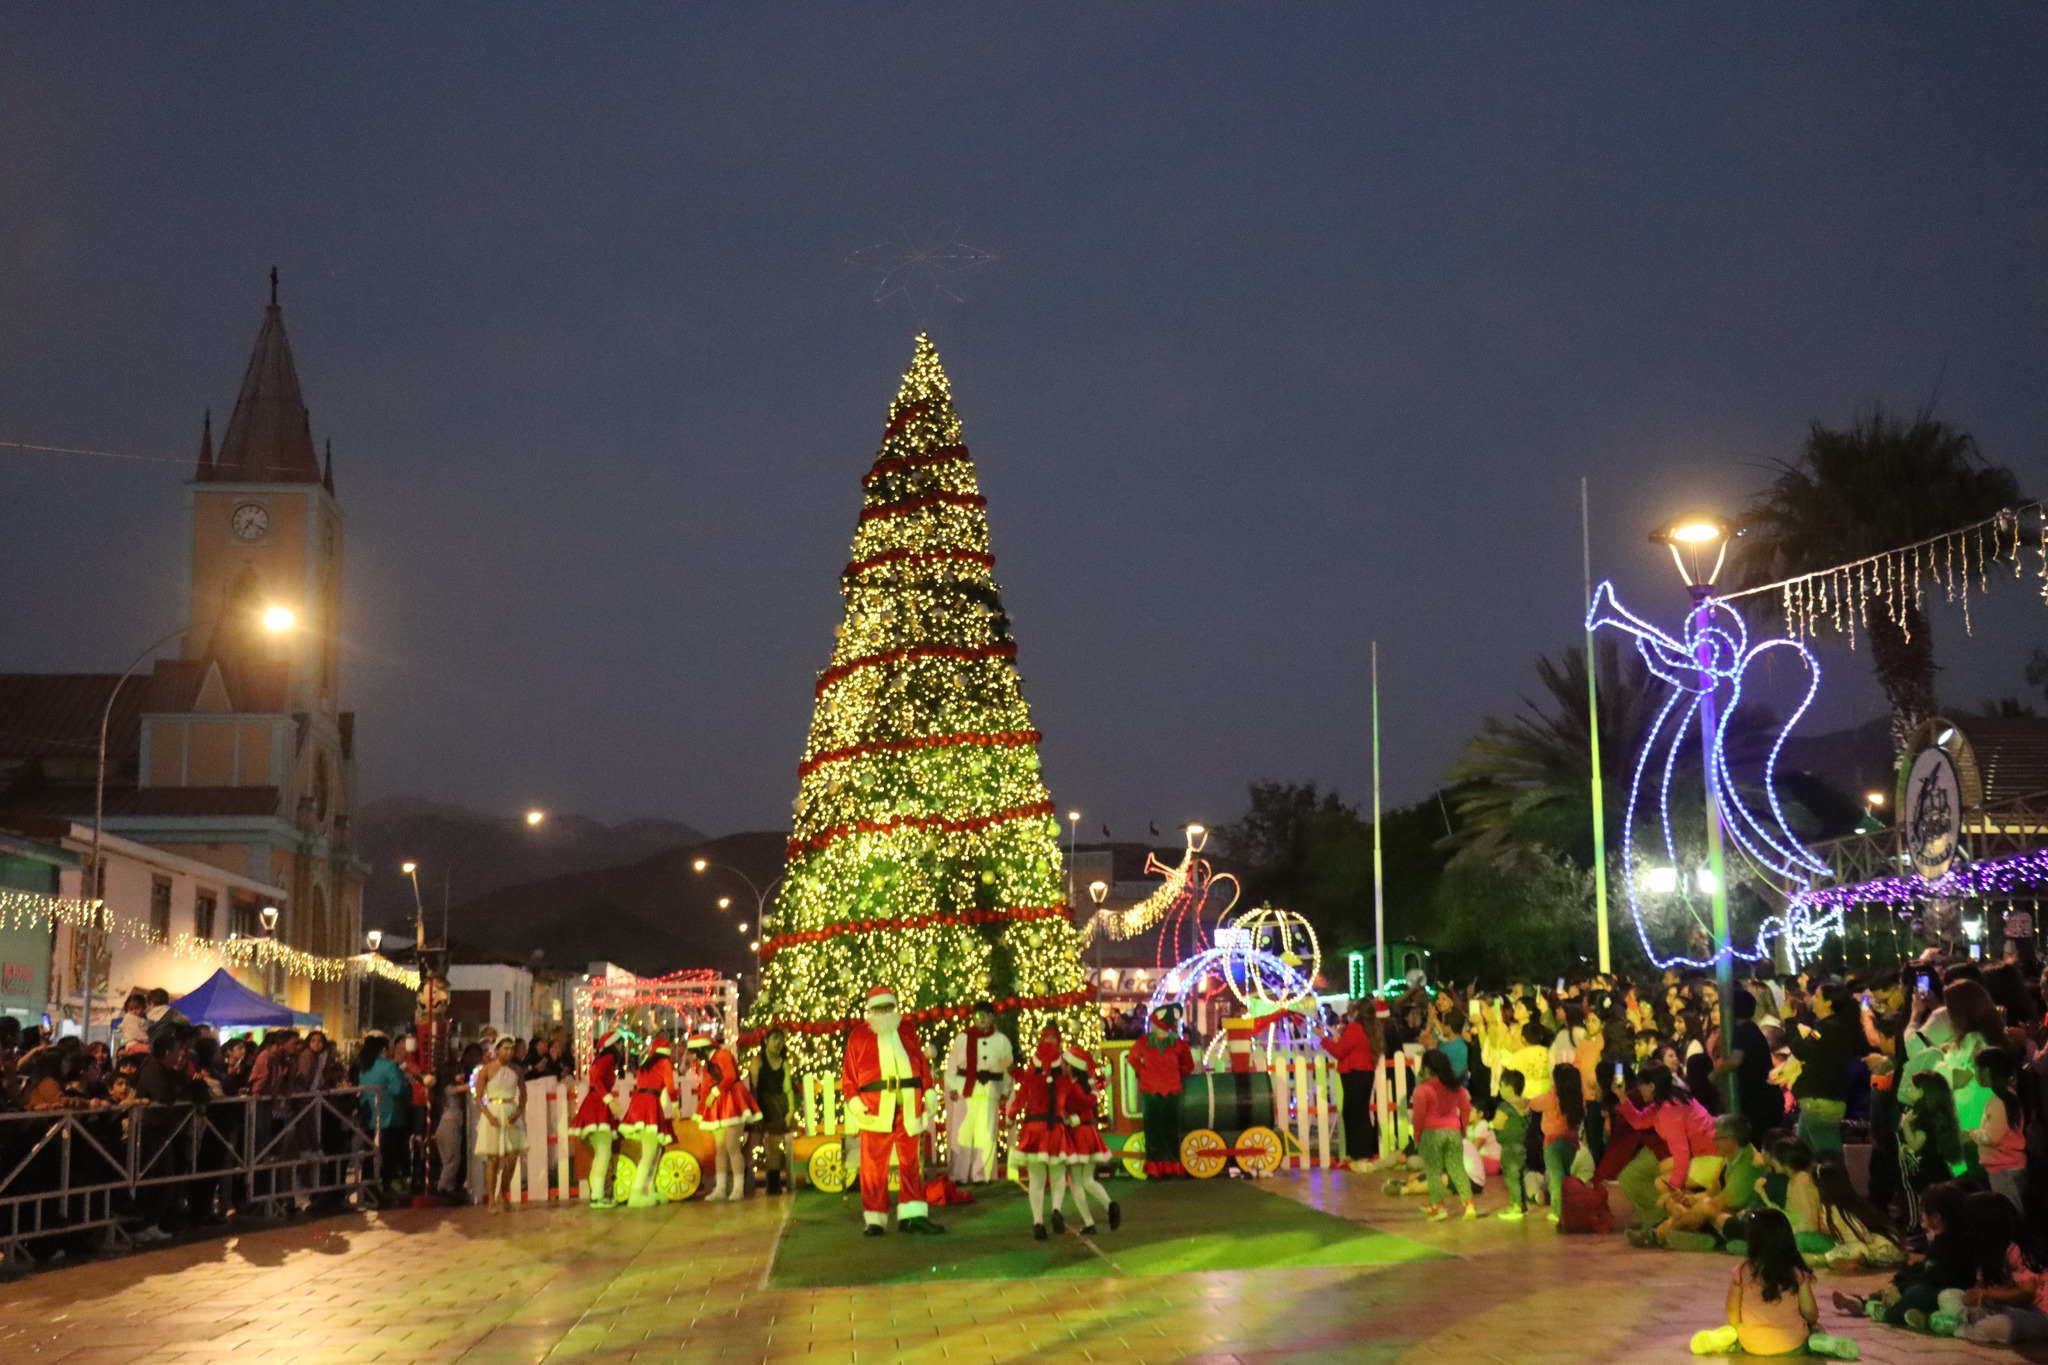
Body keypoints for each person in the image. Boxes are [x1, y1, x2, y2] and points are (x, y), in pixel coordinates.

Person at [1687, 1207, 1861, 1359]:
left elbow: (1732, 1313)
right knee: (1815, 1329)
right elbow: (1810, 1314)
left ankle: (1729, 1338)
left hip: (1752, 1345)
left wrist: (1740, 1326)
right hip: (1792, 1345)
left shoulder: (1742, 1272)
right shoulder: (1797, 1274)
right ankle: (1817, 1342)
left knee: (1737, 1332)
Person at [840, 985, 943, 1236]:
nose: (884, 1013)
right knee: (874, 1167)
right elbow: (849, 1078)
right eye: (879, 1008)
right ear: (871, 1010)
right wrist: (856, 1103)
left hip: (907, 1108)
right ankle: (875, 1219)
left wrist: (929, 1092)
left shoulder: (907, 1030)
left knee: (910, 1164)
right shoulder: (859, 1035)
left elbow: (921, 1064)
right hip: (875, 1111)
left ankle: (913, 1215)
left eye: (888, 1007)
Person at [1832, 1180, 1973, 1329]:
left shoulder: (1954, 1243)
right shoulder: (1940, 1240)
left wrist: (1905, 1286)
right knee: (1900, 1286)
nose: (1921, 1215)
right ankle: (1865, 1301)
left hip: (1944, 1293)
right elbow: (1927, 1266)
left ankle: (1881, 1311)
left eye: (1923, 1211)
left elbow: (1938, 1276)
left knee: (1915, 1293)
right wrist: (1903, 1278)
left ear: (1936, 1217)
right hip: (1930, 1285)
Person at [1616, 1063, 1717, 1233]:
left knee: (1661, 1183)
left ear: (1652, 1086)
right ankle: (1677, 1219)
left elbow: (1682, 1155)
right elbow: (1639, 1121)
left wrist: (1672, 1190)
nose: (1639, 1089)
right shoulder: (1668, 1102)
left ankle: (1681, 1224)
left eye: (1642, 1084)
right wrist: (1621, 1097)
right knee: (1664, 1171)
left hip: (1712, 1158)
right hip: (1704, 1155)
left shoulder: (1669, 1112)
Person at [1008, 1025, 1069, 1240]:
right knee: (1058, 1174)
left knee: (1036, 1179)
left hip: (1034, 1129)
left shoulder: (1031, 1076)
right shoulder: (1063, 1077)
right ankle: (1056, 1209)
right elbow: (1066, 1103)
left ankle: (1037, 1221)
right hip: (1054, 1129)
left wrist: (1011, 1116)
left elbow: (1020, 1098)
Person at [943, 1001, 1014, 1184]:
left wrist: (1005, 1089)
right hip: (966, 1090)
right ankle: (958, 1174)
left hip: (989, 1090)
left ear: (992, 1017)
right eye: (978, 1015)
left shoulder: (1001, 1041)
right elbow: (952, 1065)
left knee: (987, 1134)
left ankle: (980, 1175)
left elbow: (1006, 1068)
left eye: (986, 1014)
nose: (982, 1018)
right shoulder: (963, 1038)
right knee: (962, 1133)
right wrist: (952, 1086)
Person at [1055, 1043, 1118, 1235]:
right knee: (1088, 1179)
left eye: (1065, 1063)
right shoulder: (1085, 1086)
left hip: (1078, 1135)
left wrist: (1068, 1118)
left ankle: (1089, 1222)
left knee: (1076, 1183)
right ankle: (1110, 1205)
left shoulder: (1070, 1088)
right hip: (1090, 1133)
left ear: (1071, 1067)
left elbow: (1071, 1108)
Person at [688, 1032, 760, 1202]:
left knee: (732, 1146)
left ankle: (738, 1188)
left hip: (733, 1102)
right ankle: (720, 1188)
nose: (693, 1057)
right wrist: (700, 1111)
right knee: (720, 1149)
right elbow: (706, 1090)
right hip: (718, 1106)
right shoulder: (707, 1066)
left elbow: (730, 1077)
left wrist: (715, 1092)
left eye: (694, 1052)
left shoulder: (723, 1055)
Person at [1786, 983, 1856, 1156]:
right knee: (1803, 1154)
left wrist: (1789, 1022)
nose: (1812, 1000)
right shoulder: (1831, 1026)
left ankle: (1835, 1183)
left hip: (1821, 1101)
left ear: (1829, 1002)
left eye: (1817, 996)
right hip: (1817, 1101)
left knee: (1828, 1156)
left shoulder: (1830, 1028)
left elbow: (1803, 1050)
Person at [1129, 1004, 1194, 1178]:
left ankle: (1171, 1167)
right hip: (1151, 1091)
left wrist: (1176, 1074)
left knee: (1170, 1130)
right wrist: (1144, 1072)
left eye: (1155, 1023)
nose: (1153, 1026)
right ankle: (1155, 1168)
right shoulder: (1144, 1041)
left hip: (1170, 1091)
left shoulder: (1178, 1044)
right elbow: (1132, 1059)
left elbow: (1189, 1065)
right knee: (1153, 1131)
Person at [1411, 1048, 1476, 1220]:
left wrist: (1417, 1137)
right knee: (1458, 1169)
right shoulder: (1455, 1087)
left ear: (1427, 1069)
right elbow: (1466, 1108)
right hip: (1453, 1132)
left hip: (1432, 1134)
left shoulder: (1423, 1090)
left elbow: (1418, 1117)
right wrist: (1462, 1128)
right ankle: (1468, 1204)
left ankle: (1438, 1207)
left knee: (1434, 1172)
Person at [1808, 1157, 1904, 1272]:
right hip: (1885, 1247)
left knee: (1831, 1257)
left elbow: (1861, 1239)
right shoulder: (1850, 1203)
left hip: (1875, 1250)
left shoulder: (1834, 1210)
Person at [1712, 990, 1784, 1139]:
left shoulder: (1743, 1031)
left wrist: (1714, 1074)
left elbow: (1735, 1060)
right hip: (1765, 1098)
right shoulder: (1751, 1028)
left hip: (1759, 1101)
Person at [617, 1036, 677, 1208]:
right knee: (650, 1152)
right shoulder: (665, 1062)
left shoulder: (646, 1065)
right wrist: (675, 1105)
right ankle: (636, 1193)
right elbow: (670, 1086)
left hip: (640, 1103)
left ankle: (648, 1188)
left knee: (656, 1150)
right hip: (650, 1104)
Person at [470, 1035, 527, 1212]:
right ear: (497, 1050)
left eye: (511, 1049)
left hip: (510, 1112)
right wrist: (488, 1115)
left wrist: (518, 1112)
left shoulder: (517, 1070)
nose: (509, 1052)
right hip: (493, 1113)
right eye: (505, 1049)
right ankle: (491, 1200)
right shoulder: (486, 1070)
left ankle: (504, 1191)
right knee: (492, 1159)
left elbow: (523, 1095)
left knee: (512, 1157)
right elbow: (478, 1098)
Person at [568, 1030, 625, 1208]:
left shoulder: (603, 1059)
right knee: (603, 1154)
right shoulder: (607, 1059)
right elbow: (596, 1079)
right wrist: (608, 1100)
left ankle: (597, 1194)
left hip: (595, 1104)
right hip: (599, 1105)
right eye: (620, 1043)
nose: (622, 1047)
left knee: (601, 1154)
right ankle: (598, 1196)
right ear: (613, 1045)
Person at [1965, 1046, 2026, 1212]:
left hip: (2005, 1168)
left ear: (1988, 1071)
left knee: (2010, 1212)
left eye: (1977, 1069)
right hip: (2004, 1167)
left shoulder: (2000, 1101)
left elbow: (1991, 1138)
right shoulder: (2004, 1096)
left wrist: (1972, 1134)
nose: (1975, 1074)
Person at [352, 1034, 411, 1201]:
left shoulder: (365, 1066)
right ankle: (385, 1187)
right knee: (388, 1155)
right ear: (384, 1049)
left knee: (371, 1155)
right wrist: (408, 1089)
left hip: (370, 1115)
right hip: (389, 1116)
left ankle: (367, 1188)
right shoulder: (389, 1067)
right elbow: (398, 1090)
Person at [1322, 998, 1379, 1170]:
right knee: (1360, 1113)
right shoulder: (1369, 1029)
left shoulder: (1354, 1028)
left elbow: (1339, 1051)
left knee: (1353, 1115)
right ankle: (1365, 1152)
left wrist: (1323, 1039)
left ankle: (1357, 1154)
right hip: (1364, 1073)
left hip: (1355, 1074)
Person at [1527, 1062, 1584, 1223]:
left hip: (1552, 1142)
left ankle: (1559, 1212)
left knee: (1556, 1177)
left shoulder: (1552, 1097)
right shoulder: (1577, 1098)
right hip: (1571, 1143)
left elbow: (1533, 1103)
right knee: (1565, 1176)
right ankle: (1568, 1209)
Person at [748, 1029, 796, 1195]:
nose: (778, 1043)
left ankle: (773, 1185)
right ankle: (746, 1182)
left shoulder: (784, 1063)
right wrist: (753, 1109)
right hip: (760, 1105)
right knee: (752, 1143)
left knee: (775, 1147)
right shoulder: (758, 1060)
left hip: (777, 1107)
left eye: (781, 1039)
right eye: (774, 1039)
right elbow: (752, 1085)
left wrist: (791, 1109)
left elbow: (788, 1088)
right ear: (766, 1040)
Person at [1492, 1069, 1530, 1221]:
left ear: (1509, 1087)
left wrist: (1492, 1127)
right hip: (1522, 1145)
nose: (1500, 1089)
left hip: (1509, 1147)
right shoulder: (1525, 1104)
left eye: (1501, 1085)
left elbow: (1498, 1123)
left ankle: (1515, 1205)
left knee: (1511, 1177)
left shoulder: (1504, 1106)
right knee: (1520, 1176)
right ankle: (1523, 1204)